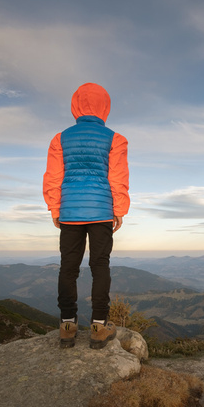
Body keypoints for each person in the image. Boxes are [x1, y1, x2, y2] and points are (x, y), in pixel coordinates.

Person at [43, 82, 129, 349]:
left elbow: (53, 177)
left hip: (70, 211)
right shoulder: (115, 139)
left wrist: (55, 208)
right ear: (105, 106)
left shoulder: (60, 138)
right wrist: (119, 210)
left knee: (68, 268)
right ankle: (98, 327)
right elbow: (118, 178)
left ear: (76, 105)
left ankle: (67, 326)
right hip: (102, 211)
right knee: (99, 266)